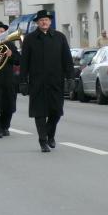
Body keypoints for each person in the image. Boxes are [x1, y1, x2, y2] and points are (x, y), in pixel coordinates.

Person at [20, 10, 72, 153]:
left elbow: (67, 59)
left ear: (50, 22)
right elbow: (24, 62)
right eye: (41, 20)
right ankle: (43, 140)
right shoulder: (30, 39)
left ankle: (50, 135)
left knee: (56, 112)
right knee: (40, 113)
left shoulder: (59, 37)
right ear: (37, 22)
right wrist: (23, 81)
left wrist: (70, 78)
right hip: (37, 82)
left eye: (47, 20)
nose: (44, 22)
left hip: (56, 81)